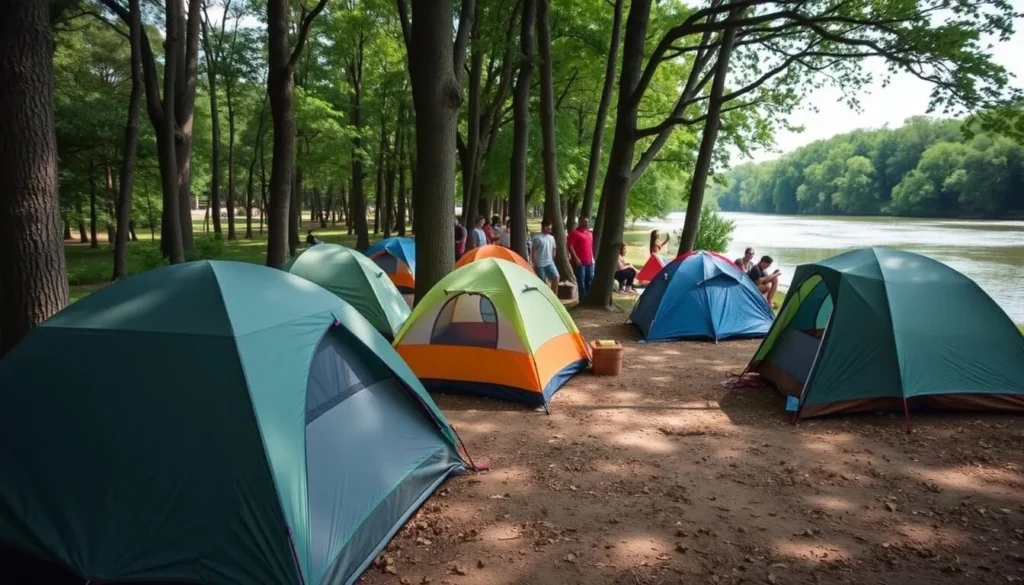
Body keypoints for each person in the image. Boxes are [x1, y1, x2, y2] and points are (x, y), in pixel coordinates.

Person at [566, 215, 595, 297]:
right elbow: (570, 246)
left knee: (589, 279)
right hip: (580, 262)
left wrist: (592, 258)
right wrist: (576, 258)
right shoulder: (575, 233)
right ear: (580, 222)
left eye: (587, 221)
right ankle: (582, 299)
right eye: (584, 221)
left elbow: (590, 247)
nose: (586, 223)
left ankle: (588, 298)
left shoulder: (589, 234)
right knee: (581, 281)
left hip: (590, 261)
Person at [530, 220, 559, 294]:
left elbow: (554, 248)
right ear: (545, 227)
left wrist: (553, 257)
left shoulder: (551, 238)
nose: (551, 228)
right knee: (542, 283)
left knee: (556, 277)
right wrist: (533, 262)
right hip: (540, 264)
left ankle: (554, 296)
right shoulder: (537, 238)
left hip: (549, 262)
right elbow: (533, 250)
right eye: (549, 226)